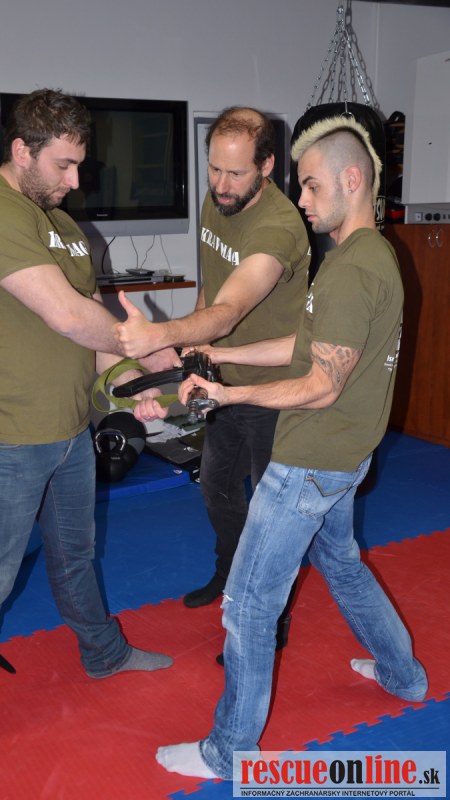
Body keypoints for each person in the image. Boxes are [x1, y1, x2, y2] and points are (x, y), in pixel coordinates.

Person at [155, 115, 428, 781]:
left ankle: (227, 752)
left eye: (311, 186)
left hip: (309, 462)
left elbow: (320, 384)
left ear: (352, 180)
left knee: (248, 606)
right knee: (343, 566)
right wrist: (219, 353)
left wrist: (227, 395)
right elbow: (304, 346)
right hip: (344, 458)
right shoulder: (367, 256)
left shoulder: (352, 272)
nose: (301, 200)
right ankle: (404, 675)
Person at [0, 88, 176, 800]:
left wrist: (135, 383)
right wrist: (151, 341)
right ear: (21, 150)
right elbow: (67, 316)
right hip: (5, 434)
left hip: (70, 430)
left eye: (79, 165)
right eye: (63, 165)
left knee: (76, 555)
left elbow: (94, 339)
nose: (74, 180)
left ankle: (103, 653)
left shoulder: (65, 227)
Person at [114, 107, 310, 630]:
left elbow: (230, 309)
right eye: (214, 169)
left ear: (266, 166)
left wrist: (162, 335)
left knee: (271, 512)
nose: (221, 185)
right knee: (216, 486)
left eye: (236, 173)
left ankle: (267, 618)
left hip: (274, 390)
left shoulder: (277, 228)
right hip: (222, 382)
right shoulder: (218, 200)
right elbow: (212, 288)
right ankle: (230, 575)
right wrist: (189, 349)